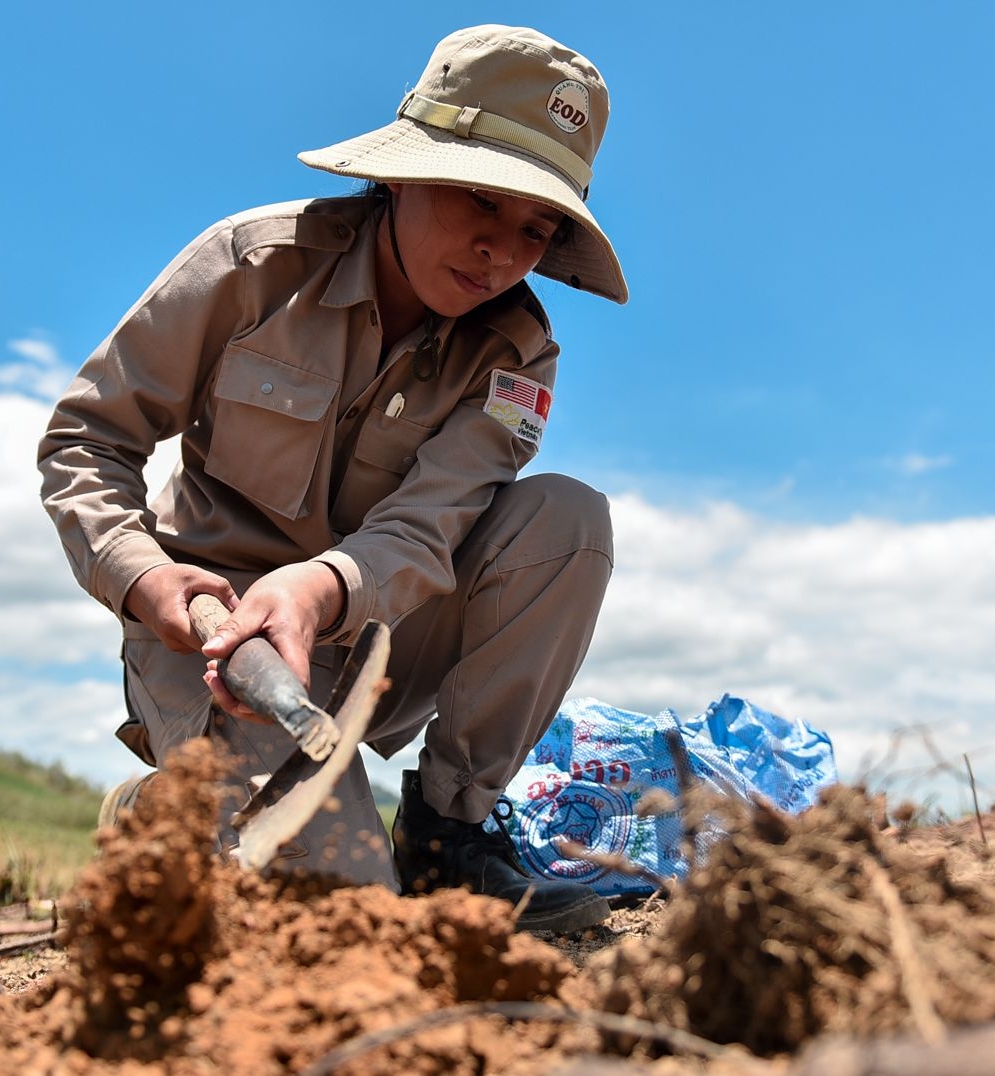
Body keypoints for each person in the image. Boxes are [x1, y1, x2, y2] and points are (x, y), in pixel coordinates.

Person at [40, 25, 626, 932]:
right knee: (351, 918)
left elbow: (431, 524)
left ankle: (447, 837)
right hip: (221, 649)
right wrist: (143, 576)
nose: (501, 253)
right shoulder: (252, 267)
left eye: (536, 229)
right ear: (400, 172)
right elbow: (87, 438)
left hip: (378, 632)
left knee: (567, 521)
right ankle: (170, 812)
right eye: (478, 198)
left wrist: (320, 590)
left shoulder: (518, 353)